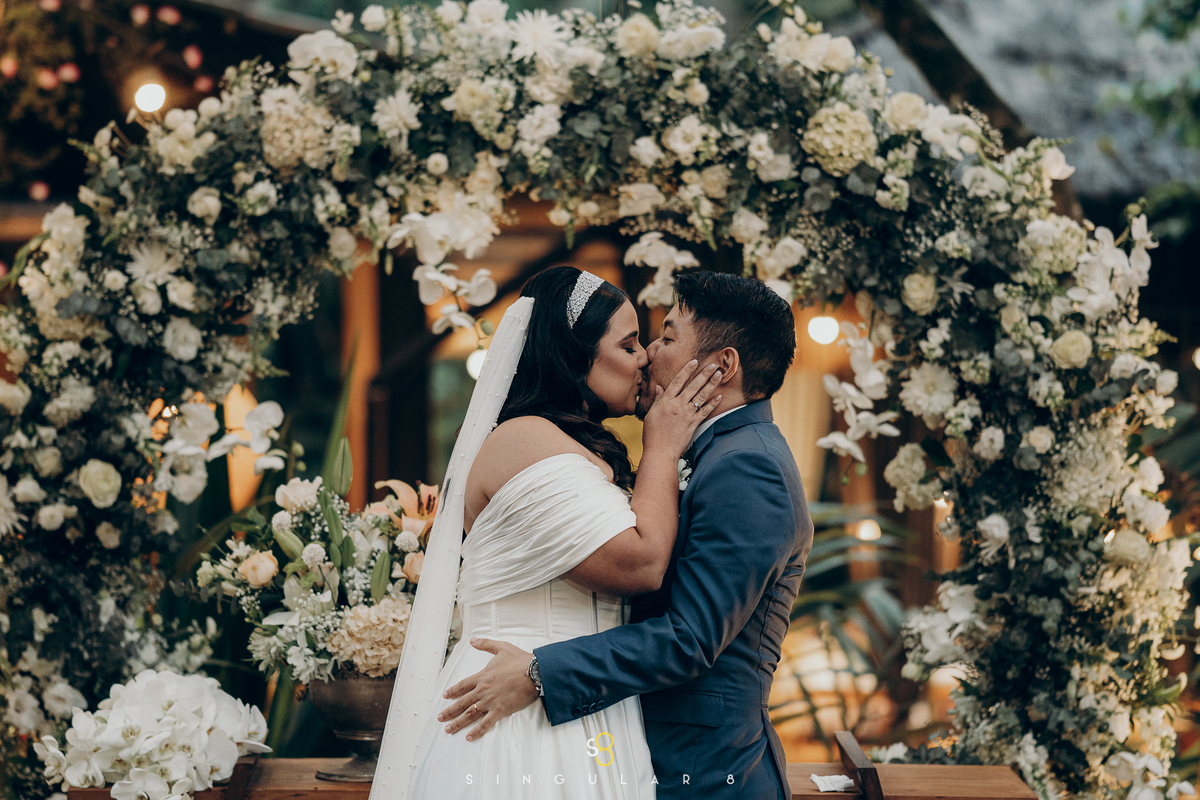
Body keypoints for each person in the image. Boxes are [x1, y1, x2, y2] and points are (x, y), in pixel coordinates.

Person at [439, 272, 813, 799]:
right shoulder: (705, 452)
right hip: (588, 737)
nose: (648, 355)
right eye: (634, 342)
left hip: (707, 771)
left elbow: (689, 636)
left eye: (664, 337)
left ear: (722, 366)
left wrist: (541, 672)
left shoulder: (749, 467)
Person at [369, 265, 724, 800]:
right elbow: (642, 563)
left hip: (578, 699)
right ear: (573, 356)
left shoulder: (560, 440)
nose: (645, 358)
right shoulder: (524, 439)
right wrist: (664, 444)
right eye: (628, 344)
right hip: (515, 715)